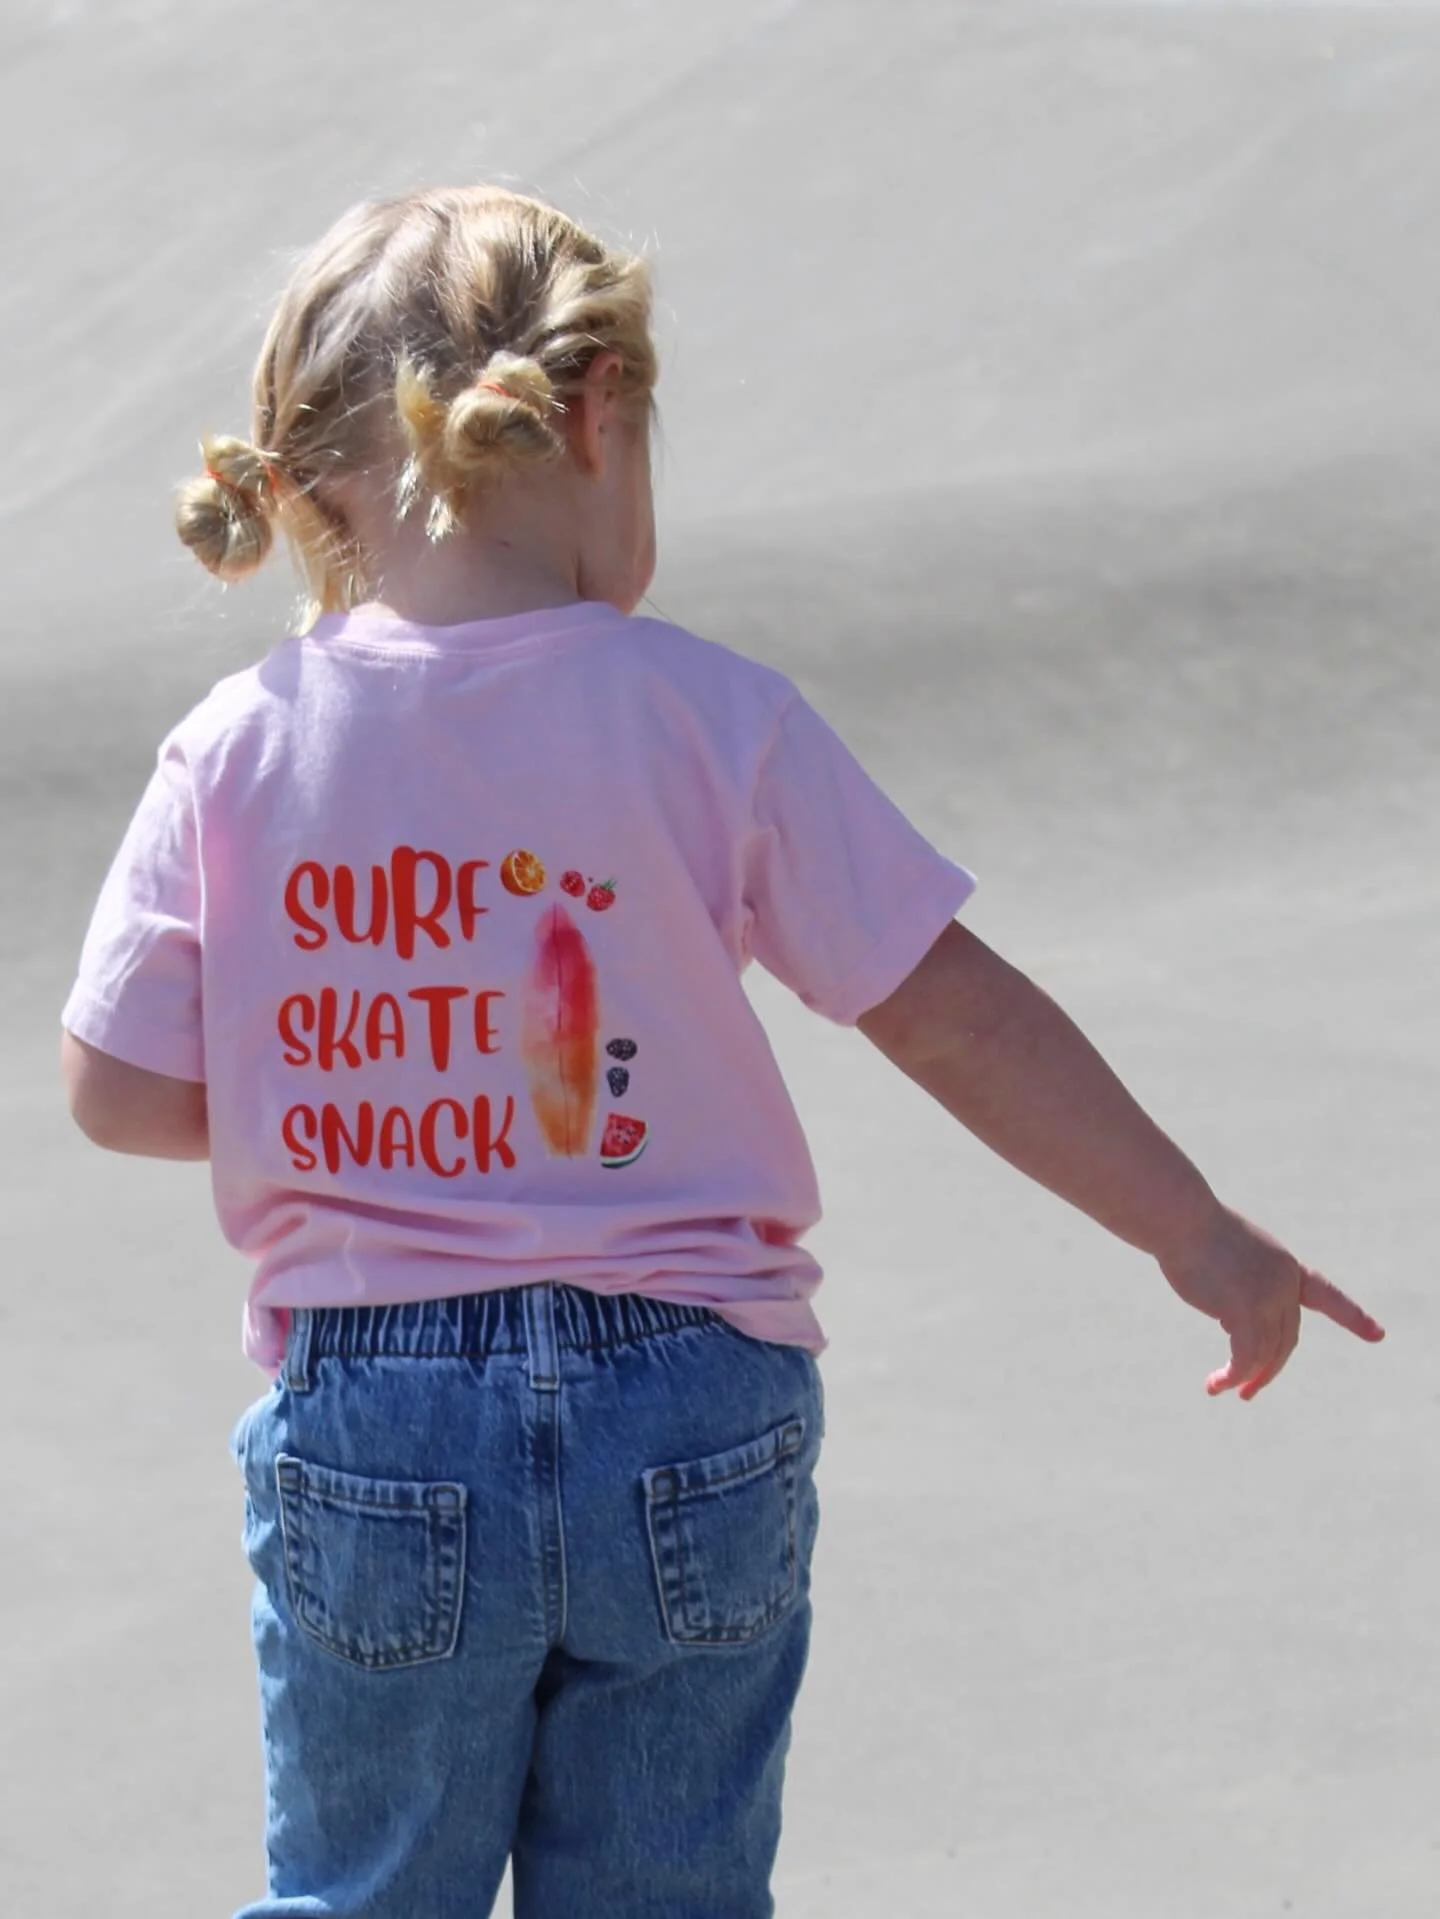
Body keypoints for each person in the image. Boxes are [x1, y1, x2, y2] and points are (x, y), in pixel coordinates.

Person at [60, 185, 1384, 1919]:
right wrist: (1194, 1229)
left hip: (380, 1424)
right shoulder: (710, 714)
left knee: (364, 1891)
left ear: (301, 482)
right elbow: (951, 1010)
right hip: (687, 1410)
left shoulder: (236, 748)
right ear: (598, 412)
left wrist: (356, 1100)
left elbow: (116, 1085)